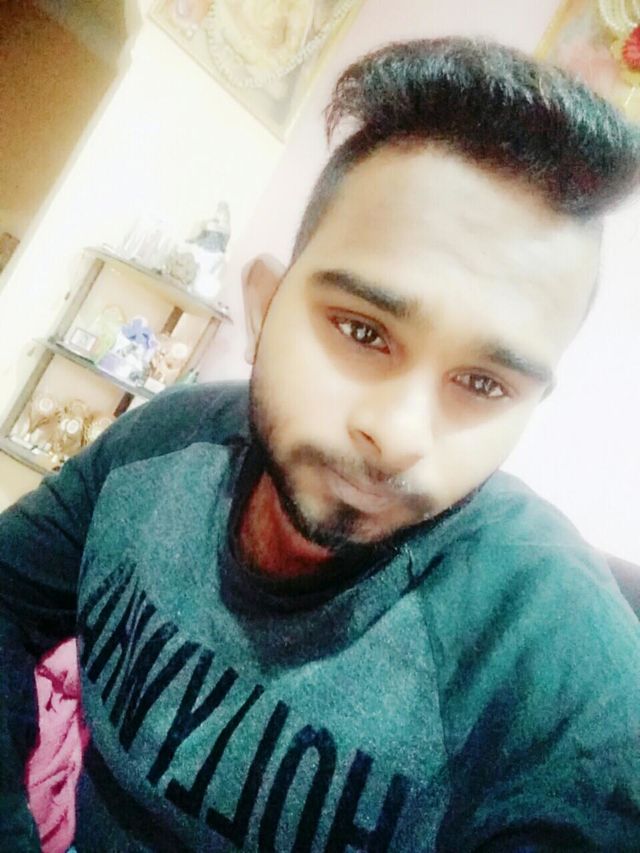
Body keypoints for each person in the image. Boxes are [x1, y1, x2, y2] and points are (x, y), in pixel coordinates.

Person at [2, 37, 640, 853]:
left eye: (484, 384)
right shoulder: (160, 444)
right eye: (363, 330)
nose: (399, 436)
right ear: (264, 306)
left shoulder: (557, 662)